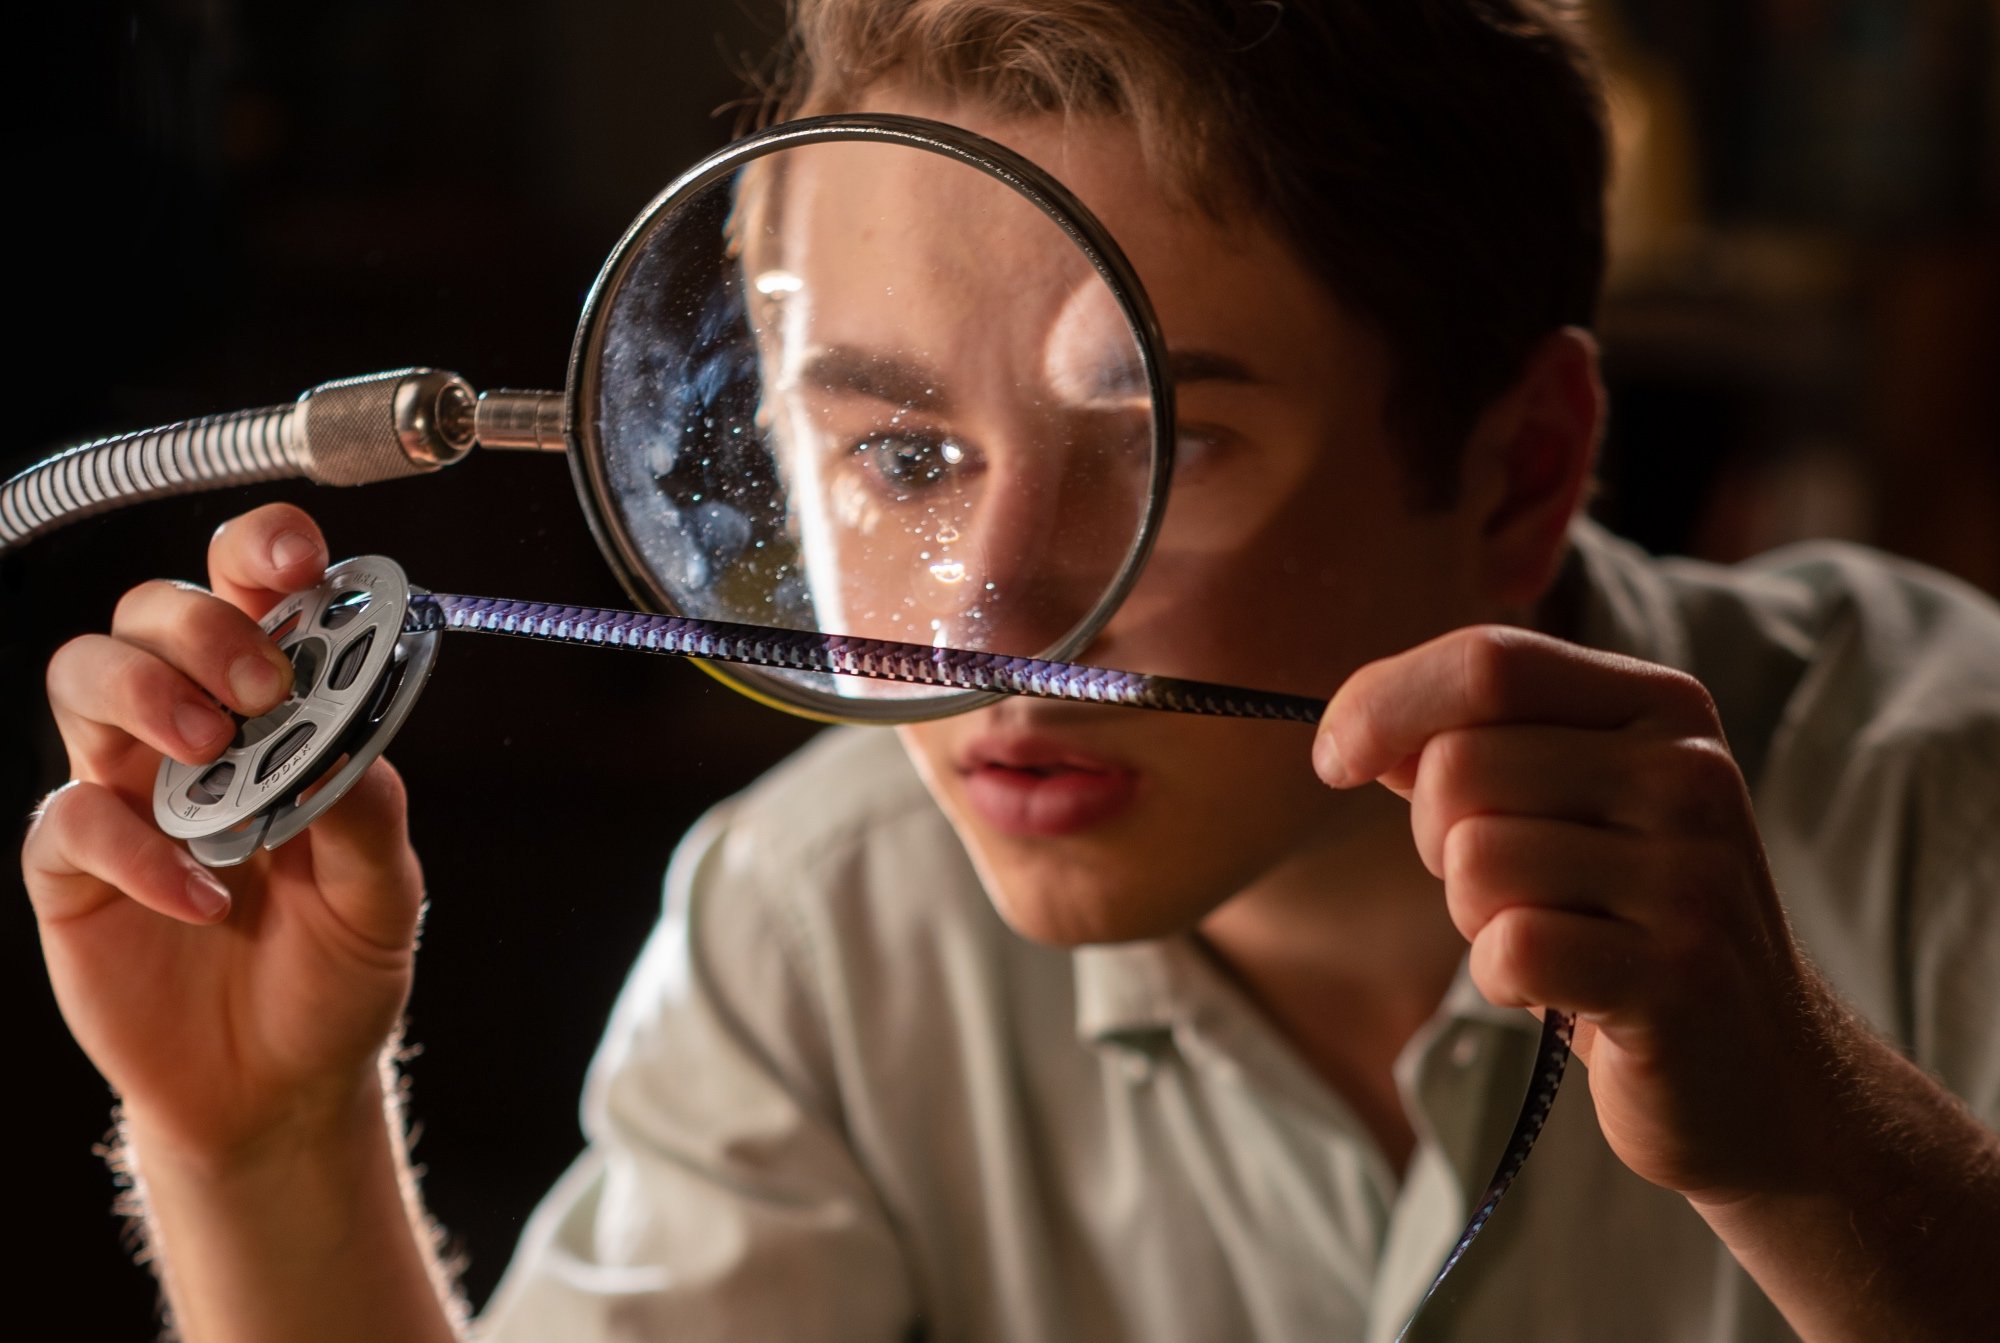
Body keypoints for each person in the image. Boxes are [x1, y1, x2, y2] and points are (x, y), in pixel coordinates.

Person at [22, 2, 2000, 1340]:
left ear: (1522, 473)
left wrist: (1816, 1149)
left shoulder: (1946, 804)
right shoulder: (816, 922)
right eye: (893, 455)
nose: (975, 627)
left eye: (1160, 442)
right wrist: (262, 1151)